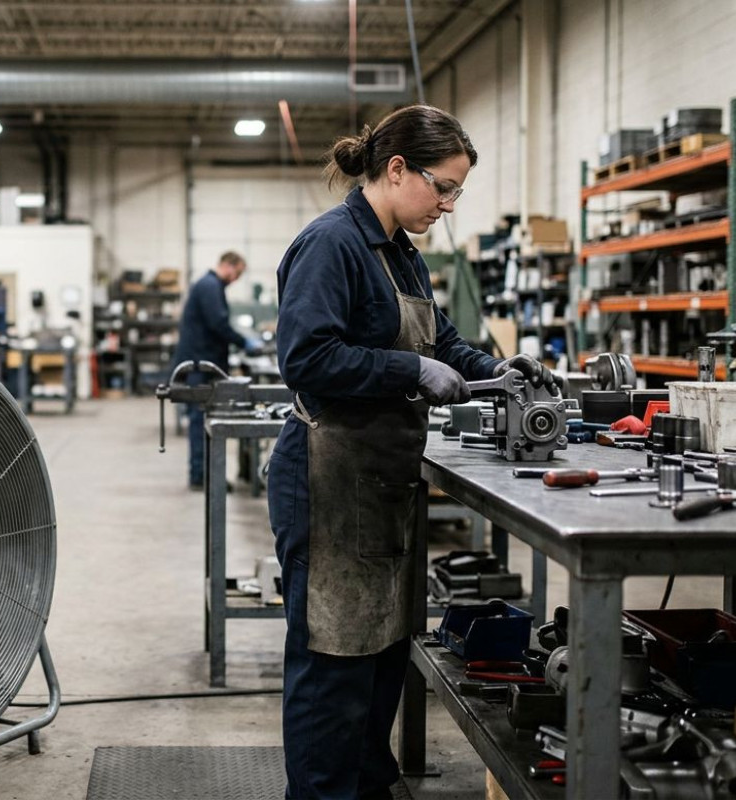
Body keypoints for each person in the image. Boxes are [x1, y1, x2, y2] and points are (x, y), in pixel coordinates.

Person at [265, 105, 559, 799]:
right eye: (443, 187)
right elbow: (307, 358)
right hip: (328, 478)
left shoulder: (400, 254)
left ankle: (367, 785)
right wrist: (408, 373)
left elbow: (442, 345)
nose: (449, 206)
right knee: (334, 659)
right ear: (397, 170)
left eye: (457, 191)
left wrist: (495, 369)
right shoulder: (331, 245)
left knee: (381, 651)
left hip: (382, 480)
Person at [173, 251, 260, 489]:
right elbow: (218, 324)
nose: (236, 279)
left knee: (204, 418)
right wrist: (244, 342)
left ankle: (205, 475)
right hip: (199, 365)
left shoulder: (209, 285)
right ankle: (200, 476)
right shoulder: (210, 286)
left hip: (203, 362)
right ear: (228, 266)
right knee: (200, 419)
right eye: (238, 273)